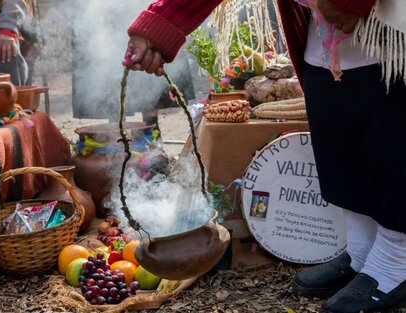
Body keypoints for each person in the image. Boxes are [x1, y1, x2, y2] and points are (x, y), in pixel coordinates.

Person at [122, 0, 406, 312]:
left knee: (390, 145)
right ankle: (362, 249)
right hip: (325, 36)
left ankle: (397, 256)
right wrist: (161, 25)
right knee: (343, 143)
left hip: (391, 37)